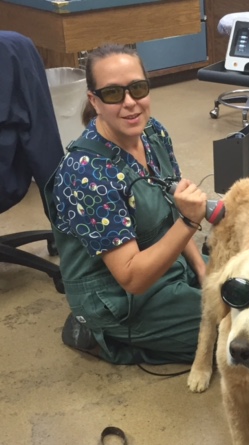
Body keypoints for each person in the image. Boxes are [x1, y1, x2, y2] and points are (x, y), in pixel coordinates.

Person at [45, 44, 208, 365]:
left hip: (165, 261)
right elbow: (133, 279)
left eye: (138, 88)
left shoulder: (153, 132)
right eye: (113, 94)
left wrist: (203, 270)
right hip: (117, 295)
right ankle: (99, 335)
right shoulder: (88, 173)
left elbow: (175, 207)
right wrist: (189, 223)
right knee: (242, 341)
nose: (130, 102)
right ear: (94, 100)